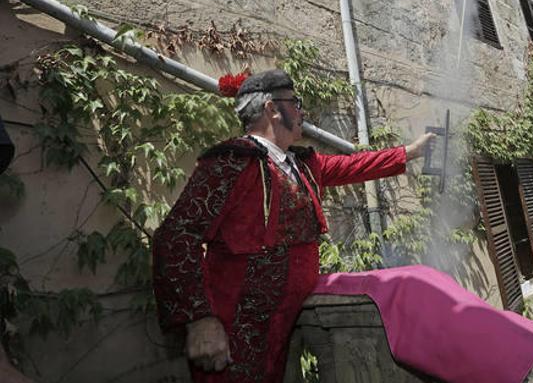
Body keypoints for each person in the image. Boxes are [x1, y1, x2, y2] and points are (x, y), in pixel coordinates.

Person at [151, 69, 434, 382]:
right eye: (295, 103)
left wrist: (411, 152)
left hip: (282, 327)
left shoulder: (302, 164)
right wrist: (200, 320)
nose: (301, 111)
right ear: (272, 109)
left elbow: (356, 165)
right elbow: (176, 235)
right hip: (236, 328)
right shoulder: (231, 161)